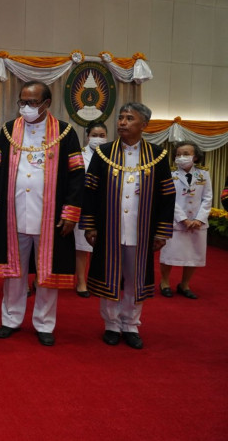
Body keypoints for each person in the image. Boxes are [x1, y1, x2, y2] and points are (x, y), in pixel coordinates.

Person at [0, 81, 83, 347]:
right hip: (14, 215)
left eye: (32, 102)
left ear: (46, 103)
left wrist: (70, 213)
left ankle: (44, 323)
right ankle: (11, 319)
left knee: (47, 273)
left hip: (50, 217)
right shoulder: (9, 130)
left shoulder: (65, 132)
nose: (26, 107)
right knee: (14, 273)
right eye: (22, 102)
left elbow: (77, 175)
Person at [82, 102, 175, 349]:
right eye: (121, 117)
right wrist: (90, 225)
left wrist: (162, 232)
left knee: (135, 279)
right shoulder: (104, 153)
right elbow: (90, 191)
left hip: (141, 230)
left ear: (144, 124)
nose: (122, 122)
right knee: (110, 276)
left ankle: (131, 324)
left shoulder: (157, 155)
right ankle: (111, 324)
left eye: (129, 118)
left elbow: (167, 196)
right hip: (109, 228)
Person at [159, 141, 211, 300]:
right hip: (176, 222)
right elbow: (169, 199)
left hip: (197, 223)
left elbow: (207, 198)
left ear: (195, 157)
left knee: (193, 255)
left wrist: (199, 219)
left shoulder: (204, 174)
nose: (182, 157)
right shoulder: (170, 173)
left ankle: (184, 285)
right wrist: (183, 219)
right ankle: (165, 283)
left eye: (186, 154)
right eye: (178, 154)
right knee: (169, 254)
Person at [73, 122, 108, 298]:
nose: (98, 139)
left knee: (101, 247)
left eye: (102, 135)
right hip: (83, 206)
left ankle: (97, 280)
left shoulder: (112, 155)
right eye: (95, 135)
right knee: (82, 247)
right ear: (87, 136)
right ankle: (81, 281)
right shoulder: (79, 155)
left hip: (105, 207)